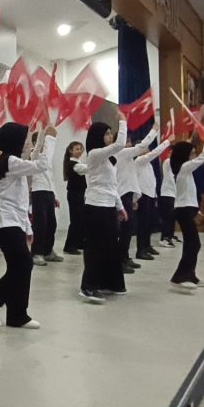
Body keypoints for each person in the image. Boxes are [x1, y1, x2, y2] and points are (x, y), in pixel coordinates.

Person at [0, 120, 56, 329]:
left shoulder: (13, 162)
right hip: (5, 220)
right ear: (15, 142)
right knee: (24, 264)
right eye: (26, 140)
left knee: (19, 267)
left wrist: (27, 227)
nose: (29, 144)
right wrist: (50, 138)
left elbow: (22, 197)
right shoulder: (10, 161)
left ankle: (17, 315)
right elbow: (41, 165)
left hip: (14, 220)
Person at [79, 114, 129, 303]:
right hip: (95, 206)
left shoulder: (108, 159)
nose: (109, 136)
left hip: (108, 206)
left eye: (110, 133)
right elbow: (120, 144)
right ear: (98, 136)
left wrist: (120, 207)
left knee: (110, 246)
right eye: (107, 133)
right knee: (95, 247)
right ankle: (88, 286)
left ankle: (109, 283)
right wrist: (122, 121)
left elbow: (112, 186)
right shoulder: (94, 154)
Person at [169, 132, 204, 291]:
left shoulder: (185, 170)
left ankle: (189, 274)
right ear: (185, 156)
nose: (194, 156)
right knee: (194, 243)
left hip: (187, 210)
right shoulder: (184, 168)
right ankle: (181, 276)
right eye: (192, 153)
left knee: (191, 243)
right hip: (183, 211)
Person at [116, 127, 159, 264]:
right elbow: (145, 148)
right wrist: (155, 131)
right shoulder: (123, 154)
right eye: (126, 141)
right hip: (123, 194)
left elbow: (132, 180)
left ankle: (125, 256)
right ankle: (124, 257)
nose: (129, 144)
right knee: (127, 228)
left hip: (131, 194)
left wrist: (135, 198)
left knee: (130, 228)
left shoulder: (130, 159)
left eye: (129, 141)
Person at [134, 136, 171, 260]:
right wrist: (167, 142)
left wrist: (155, 196)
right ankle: (140, 250)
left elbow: (152, 181)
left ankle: (147, 245)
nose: (147, 150)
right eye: (144, 148)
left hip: (150, 195)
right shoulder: (139, 161)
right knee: (143, 223)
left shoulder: (148, 165)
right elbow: (154, 153)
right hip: (142, 195)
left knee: (150, 223)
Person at [30, 131, 62, 266]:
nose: (45, 145)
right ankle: (36, 253)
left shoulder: (47, 158)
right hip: (38, 191)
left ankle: (48, 251)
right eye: (42, 142)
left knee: (51, 224)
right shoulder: (34, 154)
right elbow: (37, 148)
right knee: (40, 224)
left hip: (48, 192)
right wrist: (44, 132)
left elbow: (51, 178)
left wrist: (55, 195)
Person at [62, 141, 87, 255]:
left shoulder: (77, 162)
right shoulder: (74, 164)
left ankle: (78, 242)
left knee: (80, 219)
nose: (80, 151)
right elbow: (86, 168)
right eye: (77, 149)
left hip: (78, 194)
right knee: (75, 220)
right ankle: (69, 246)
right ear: (70, 151)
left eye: (81, 149)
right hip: (74, 194)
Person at [157, 156, 179, 248]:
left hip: (172, 195)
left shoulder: (173, 173)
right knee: (167, 218)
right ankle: (164, 238)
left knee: (172, 217)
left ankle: (170, 236)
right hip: (166, 194)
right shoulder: (167, 162)